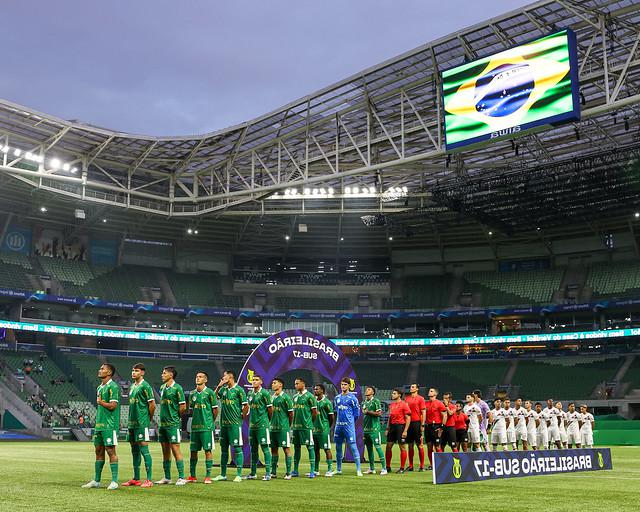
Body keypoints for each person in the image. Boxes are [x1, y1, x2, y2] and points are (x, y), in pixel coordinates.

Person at [81, 363, 120, 490]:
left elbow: (113, 405)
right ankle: (96, 480)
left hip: (109, 425)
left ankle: (114, 481)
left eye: (102, 369)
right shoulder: (99, 387)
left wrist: (101, 402)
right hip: (99, 424)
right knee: (98, 451)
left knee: (110, 451)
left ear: (109, 373)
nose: (100, 370)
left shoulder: (113, 386)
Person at [122, 363, 155, 488]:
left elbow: (152, 405)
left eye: (136, 370)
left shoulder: (145, 386)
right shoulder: (132, 386)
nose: (133, 372)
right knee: (134, 450)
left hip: (141, 423)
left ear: (142, 372)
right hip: (132, 423)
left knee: (144, 449)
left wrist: (148, 419)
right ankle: (136, 478)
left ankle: (149, 479)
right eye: (132, 370)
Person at [213, 370, 248, 482]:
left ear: (230, 377)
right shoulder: (223, 389)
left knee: (237, 448)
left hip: (234, 424)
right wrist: (218, 386)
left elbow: (246, 406)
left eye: (224, 376)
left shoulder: (239, 390)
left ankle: (238, 474)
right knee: (224, 449)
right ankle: (223, 474)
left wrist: (241, 417)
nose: (223, 378)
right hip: (224, 424)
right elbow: (213, 398)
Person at [155, 366, 187, 486]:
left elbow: (183, 407)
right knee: (165, 451)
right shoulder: (162, 387)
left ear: (171, 375)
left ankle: (181, 477)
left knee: (175, 449)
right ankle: (167, 477)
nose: (162, 375)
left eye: (164, 373)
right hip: (163, 424)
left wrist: (175, 417)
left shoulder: (177, 388)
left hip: (173, 424)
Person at [187, 371, 218, 484]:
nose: (198, 378)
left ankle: (208, 476)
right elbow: (191, 410)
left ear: (205, 380)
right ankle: (192, 476)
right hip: (195, 427)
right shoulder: (192, 394)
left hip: (206, 427)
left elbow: (215, 410)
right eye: (196, 377)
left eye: (200, 377)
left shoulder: (210, 393)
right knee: (193, 451)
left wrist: (210, 422)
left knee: (207, 451)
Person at [333, 377, 362, 476]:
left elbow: (357, 414)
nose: (343, 386)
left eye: (345, 384)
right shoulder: (337, 398)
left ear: (349, 386)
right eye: (342, 384)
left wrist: (350, 422)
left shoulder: (353, 399)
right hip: (338, 426)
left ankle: (358, 470)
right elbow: (337, 411)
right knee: (338, 447)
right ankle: (338, 469)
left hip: (348, 426)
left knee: (353, 447)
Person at [246, 373, 273, 481]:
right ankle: (253, 473)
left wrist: (266, 421)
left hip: (262, 425)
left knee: (265, 448)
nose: (254, 381)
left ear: (261, 382)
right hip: (252, 426)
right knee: (253, 449)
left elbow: (270, 410)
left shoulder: (265, 393)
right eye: (253, 380)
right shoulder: (250, 394)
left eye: (256, 380)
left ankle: (268, 473)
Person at [291, 377, 317, 478]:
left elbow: (314, 413)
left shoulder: (310, 396)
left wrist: (309, 422)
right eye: (295, 384)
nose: (296, 385)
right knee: (297, 448)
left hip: (306, 427)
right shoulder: (295, 397)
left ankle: (312, 471)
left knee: (310, 447)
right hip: (296, 427)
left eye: (297, 383)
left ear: (303, 384)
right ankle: (295, 470)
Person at [269, 378, 294, 479]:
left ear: (280, 385)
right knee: (273, 450)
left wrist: (288, 425)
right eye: (272, 383)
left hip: (283, 428)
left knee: (286, 449)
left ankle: (288, 473)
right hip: (272, 428)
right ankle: (273, 472)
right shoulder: (271, 398)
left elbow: (291, 413)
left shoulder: (286, 398)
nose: (272, 384)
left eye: (274, 383)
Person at [361, 386, 387, 475]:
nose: (366, 390)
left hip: (374, 429)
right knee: (369, 449)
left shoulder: (376, 401)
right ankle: (372, 468)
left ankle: (384, 468)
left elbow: (379, 413)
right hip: (366, 429)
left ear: (373, 392)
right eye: (366, 389)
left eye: (369, 389)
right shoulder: (364, 402)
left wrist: (368, 412)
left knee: (377, 447)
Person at [385, 388, 411, 473]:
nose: (392, 395)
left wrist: (405, 431)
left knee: (402, 447)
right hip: (392, 427)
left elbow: (408, 418)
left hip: (400, 427)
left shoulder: (404, 404)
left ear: (399, 395)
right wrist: (387, 428)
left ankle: (402, 468)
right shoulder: (391, 405)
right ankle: (388, 467)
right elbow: (390, 417)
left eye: (394, 393)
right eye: (392, 393)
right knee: (388, 446)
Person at [312, 384, 334, 477]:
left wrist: (327, 427)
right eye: (314, 389)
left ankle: (330, 469)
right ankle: (316, 470)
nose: (315, 390)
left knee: (326, 449)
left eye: (317, 389)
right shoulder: (313, 401)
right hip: (314, 430)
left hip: (323, 430)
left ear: (322, 391)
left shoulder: (327, 402)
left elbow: (331, 417)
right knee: (315, 450)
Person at [404, 383, 426, 471]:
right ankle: (411, 465)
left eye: (413, 387)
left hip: (417, 423)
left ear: (417, 389)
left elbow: (423, 412)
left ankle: (422, 466)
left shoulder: (421, 399)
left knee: (419, 445)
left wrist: (422, 424)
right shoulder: (407, 399)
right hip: (409, 424)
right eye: (410, 387)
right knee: (410, 445)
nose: (411, 388)